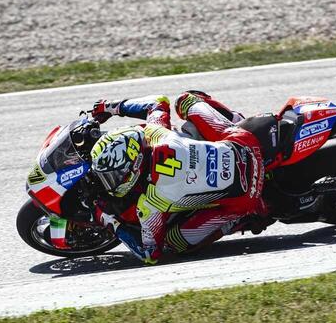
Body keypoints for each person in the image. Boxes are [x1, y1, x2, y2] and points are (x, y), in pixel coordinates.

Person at [90, 91, 268, 264]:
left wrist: (110, 221)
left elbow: (150, 254)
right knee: (185, 99)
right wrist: (111, 107)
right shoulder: (156, 133)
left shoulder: (151, 202)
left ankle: (238, 219)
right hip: (245, 143)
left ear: (133, 169)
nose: (109, 182)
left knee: (174, 242)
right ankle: (236, 120)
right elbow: (158, 102)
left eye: (111, 177)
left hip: (245, 197)